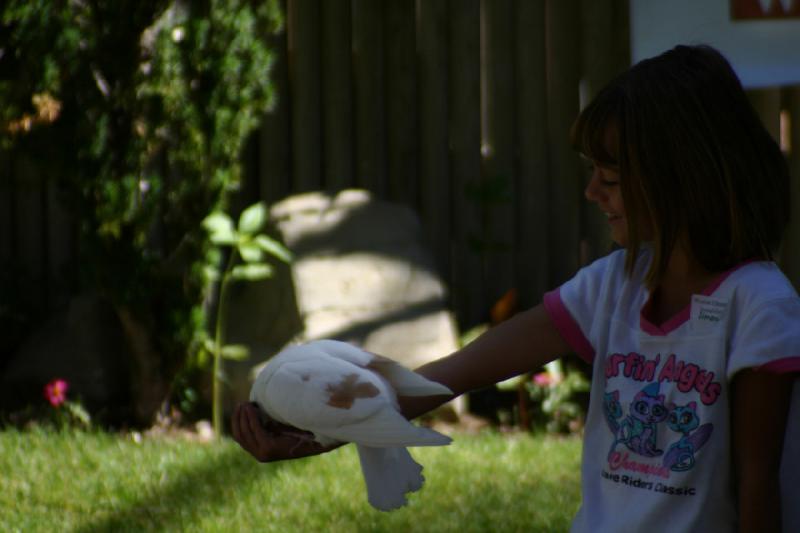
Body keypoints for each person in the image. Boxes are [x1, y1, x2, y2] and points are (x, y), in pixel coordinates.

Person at [232, 44, 799, 532]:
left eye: (610, 179)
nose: (591, 194)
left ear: (683, 181)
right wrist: (326, 427)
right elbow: (446, 377)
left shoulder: (758, 307)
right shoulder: (612, 286)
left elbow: (759, 488)